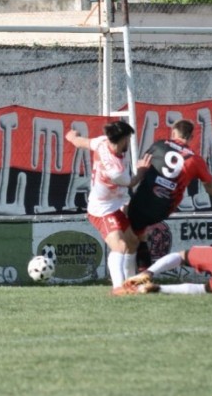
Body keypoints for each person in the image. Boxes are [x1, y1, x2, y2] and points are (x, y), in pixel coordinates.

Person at [66, 120, 150, 294]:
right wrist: (142, 170)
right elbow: (132, 182)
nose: (128, 142)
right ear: (122, 139)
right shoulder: (116, 170)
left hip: (116, 203)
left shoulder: (102, 142)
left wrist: (73, 137)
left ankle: (131, 284)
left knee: (132, 242)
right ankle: (118, 288)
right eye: (128, 139)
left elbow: (83, 142)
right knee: (119, 246)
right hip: (102, 209)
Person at [128, 119, 212, 269]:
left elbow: (143, 166)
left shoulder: (159, 145)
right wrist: (207, 183)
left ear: (174, 133)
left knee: (128, 233)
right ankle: (141, 274)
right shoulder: (196, 160)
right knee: (139, 233)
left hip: (143, 200)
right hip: (164, 208)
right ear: (190, 138)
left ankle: (130, 275)